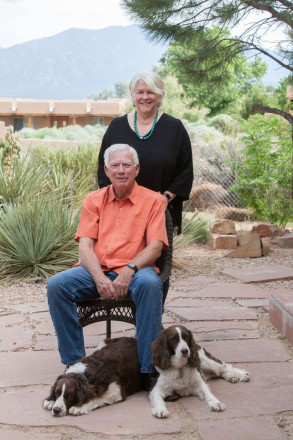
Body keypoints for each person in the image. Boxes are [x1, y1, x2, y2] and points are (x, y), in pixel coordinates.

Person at [47, 144, 168, 387]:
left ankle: (148, 371)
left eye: (126, 165)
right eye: (115, 165)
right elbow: (85, 247)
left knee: (150, 284)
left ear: (136, 169)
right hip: (96, 270)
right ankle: (75, 364)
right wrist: (100, 278)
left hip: (137, 270)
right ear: (106, 170)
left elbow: (155, 247)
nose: (121, 170)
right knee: (57, 285)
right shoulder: (93, 200)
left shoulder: (154, 201)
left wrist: (129, 270)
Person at [98, 70, 193, 235]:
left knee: (159, 259)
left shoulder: (175, 128)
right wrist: (118, 199)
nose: (145, 97)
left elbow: (185, 171)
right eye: (140, 92)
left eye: (151, 92)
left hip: (162, 209)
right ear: (133, 96)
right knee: (119, 257)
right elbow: (103, 167)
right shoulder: (116, 126)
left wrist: (164, 198)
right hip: (121, 210)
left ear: (160, 95)